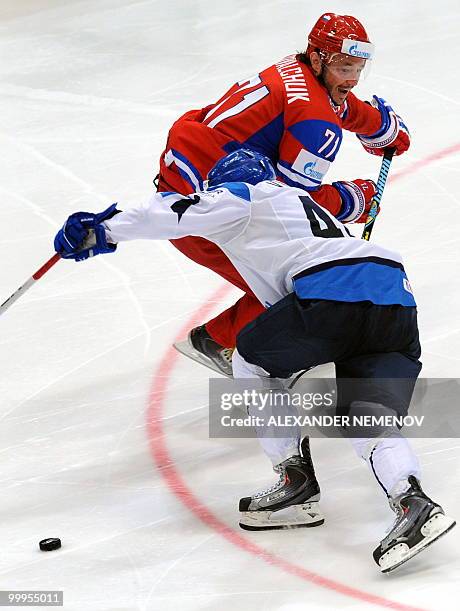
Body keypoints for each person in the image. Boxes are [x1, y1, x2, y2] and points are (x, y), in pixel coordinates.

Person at [54, 150, 454, 573]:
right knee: (369, 417)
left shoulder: (250, 194)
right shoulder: (301, 207)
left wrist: (103, 228)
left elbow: (174, 209)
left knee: (249, 362)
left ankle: (294, 480)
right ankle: (414, 506)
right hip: (395, 294)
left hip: (333, 287)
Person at [155, 12, 411, 377]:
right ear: (319, 58)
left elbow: (336, 103)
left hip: (186, 185)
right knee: (311, 277)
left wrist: (377, 125)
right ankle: (221, 343)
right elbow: (292, 208)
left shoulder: (296, 69)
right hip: (207, 215)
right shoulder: (315, 120)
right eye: (344, 68)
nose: (352, 79)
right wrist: (352, 199)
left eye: (359, 68)